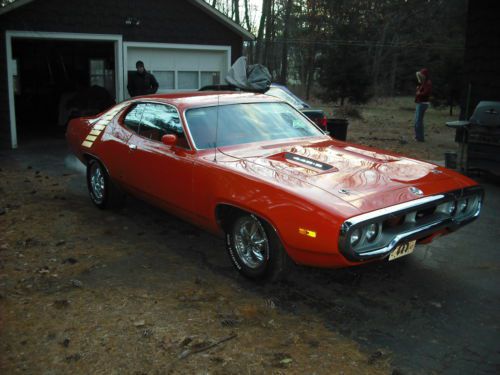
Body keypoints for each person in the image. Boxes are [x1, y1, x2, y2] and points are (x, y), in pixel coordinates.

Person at [414, 68, 432, 142]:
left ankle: (420, 138)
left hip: (423, 103)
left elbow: (426, 93)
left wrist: (419, 93)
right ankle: (418, 137)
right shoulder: (423, 83)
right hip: (420, 103)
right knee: (417, 121)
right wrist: (418, 89)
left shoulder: (428, 83)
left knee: (419, 121)